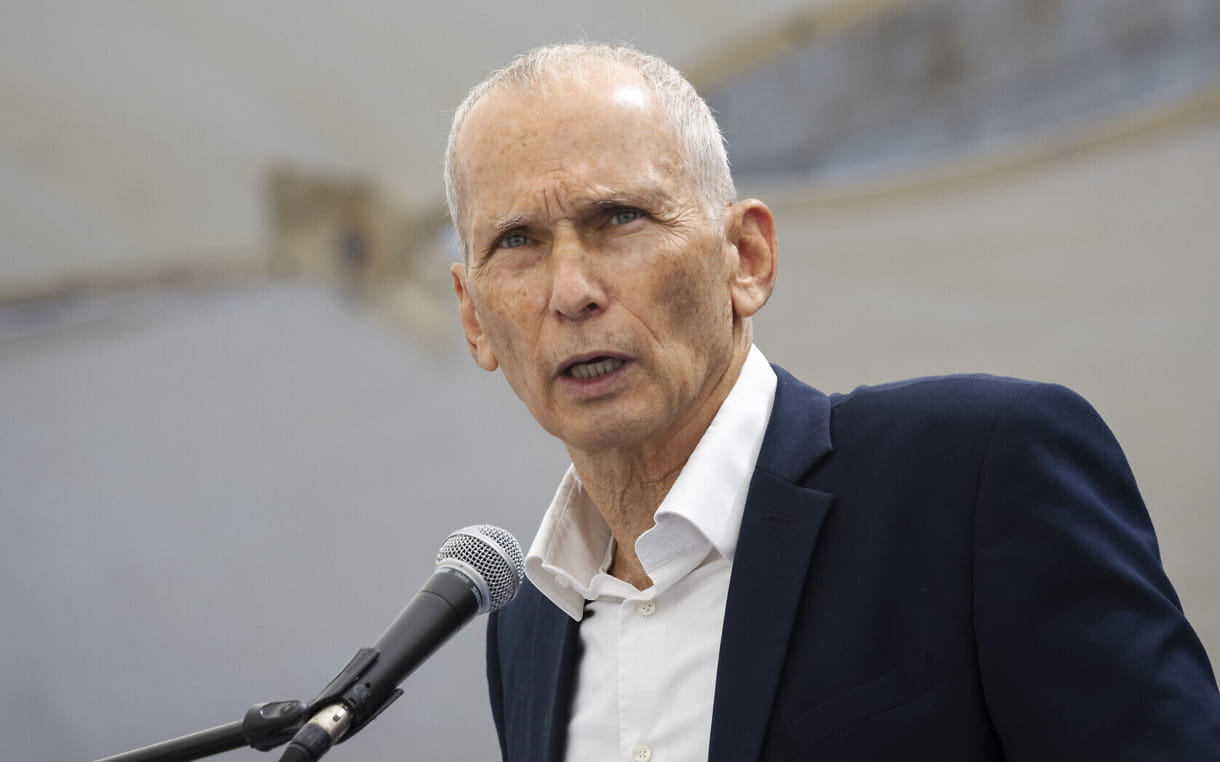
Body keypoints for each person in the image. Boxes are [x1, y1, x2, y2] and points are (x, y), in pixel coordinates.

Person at [444, 42, 1220, 762]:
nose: (572, 292)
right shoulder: (525, 626)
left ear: (745, 257)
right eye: (516, 242)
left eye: (619, 218)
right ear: (475, 318)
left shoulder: (974, 474)